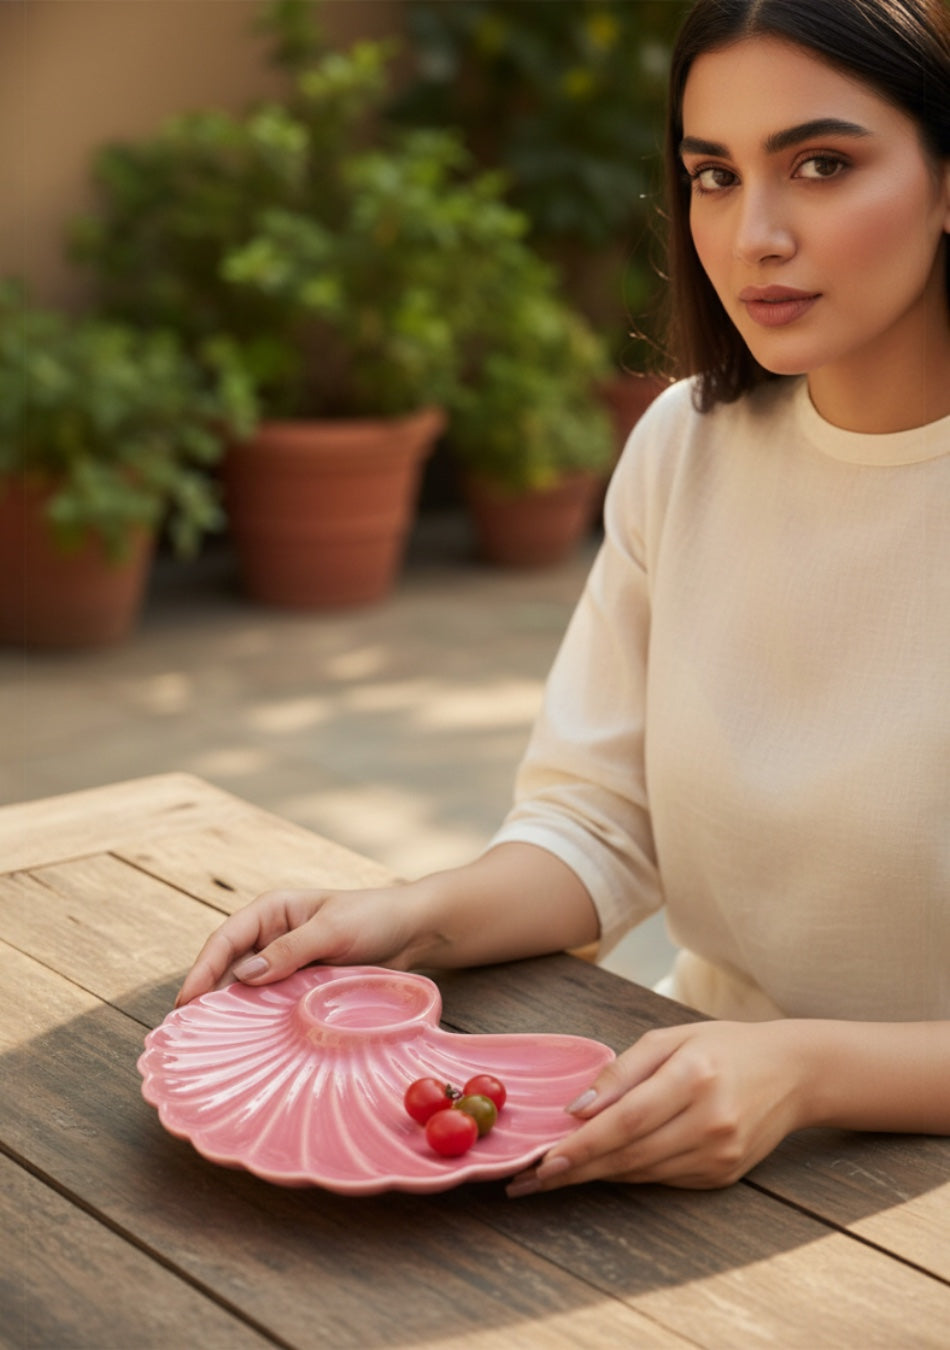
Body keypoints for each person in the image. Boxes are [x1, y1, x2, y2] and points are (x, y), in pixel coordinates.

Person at [178, 0, 950, 1196]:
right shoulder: (685, 446)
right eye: (711, 175)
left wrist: (807, 1073)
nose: (751, 235)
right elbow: (598, 824)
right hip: (687, 1127)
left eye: (819, 165)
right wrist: (404, 917)